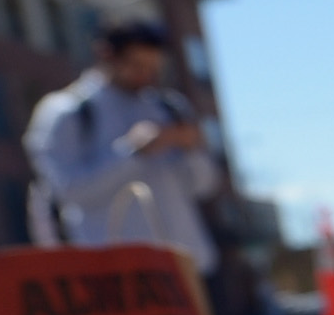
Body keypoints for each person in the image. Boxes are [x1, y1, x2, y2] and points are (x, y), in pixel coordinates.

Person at [26, 20, 221, 274]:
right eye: (137, 66)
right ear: (106, 54)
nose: (146, 76)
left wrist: (190, 149)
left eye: (153, 68)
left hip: (187, 267)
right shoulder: (67, 111)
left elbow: (204, 186)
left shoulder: (169, 107)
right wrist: (133, 152)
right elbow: (68, 192)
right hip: (116, 276)